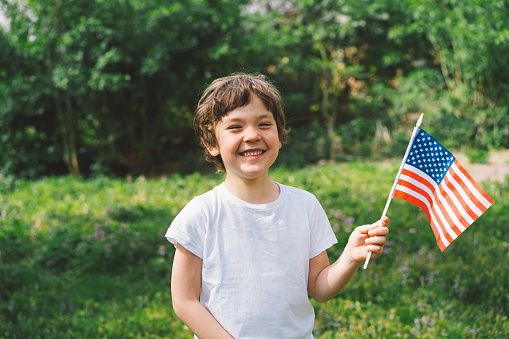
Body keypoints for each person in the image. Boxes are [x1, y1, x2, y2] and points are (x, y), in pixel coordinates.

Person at [166, 73, 389, 339]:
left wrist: (350, 257)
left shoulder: (305, 206)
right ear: (211, 143)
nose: (252, 135)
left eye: (264, 124)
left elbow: (319, 288)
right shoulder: (201, 213)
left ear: (280, 135)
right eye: (235, 127)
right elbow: (184, 301)